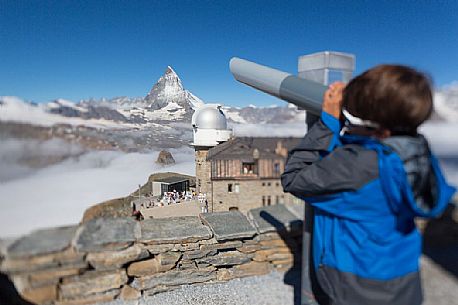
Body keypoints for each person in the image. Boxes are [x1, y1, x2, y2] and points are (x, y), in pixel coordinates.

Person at [281, 65, 455, 305]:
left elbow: (294, 176)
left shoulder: (360, 165)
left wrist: (327, 123)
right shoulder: (418, 153)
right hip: (401, 277)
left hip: (355, 283)